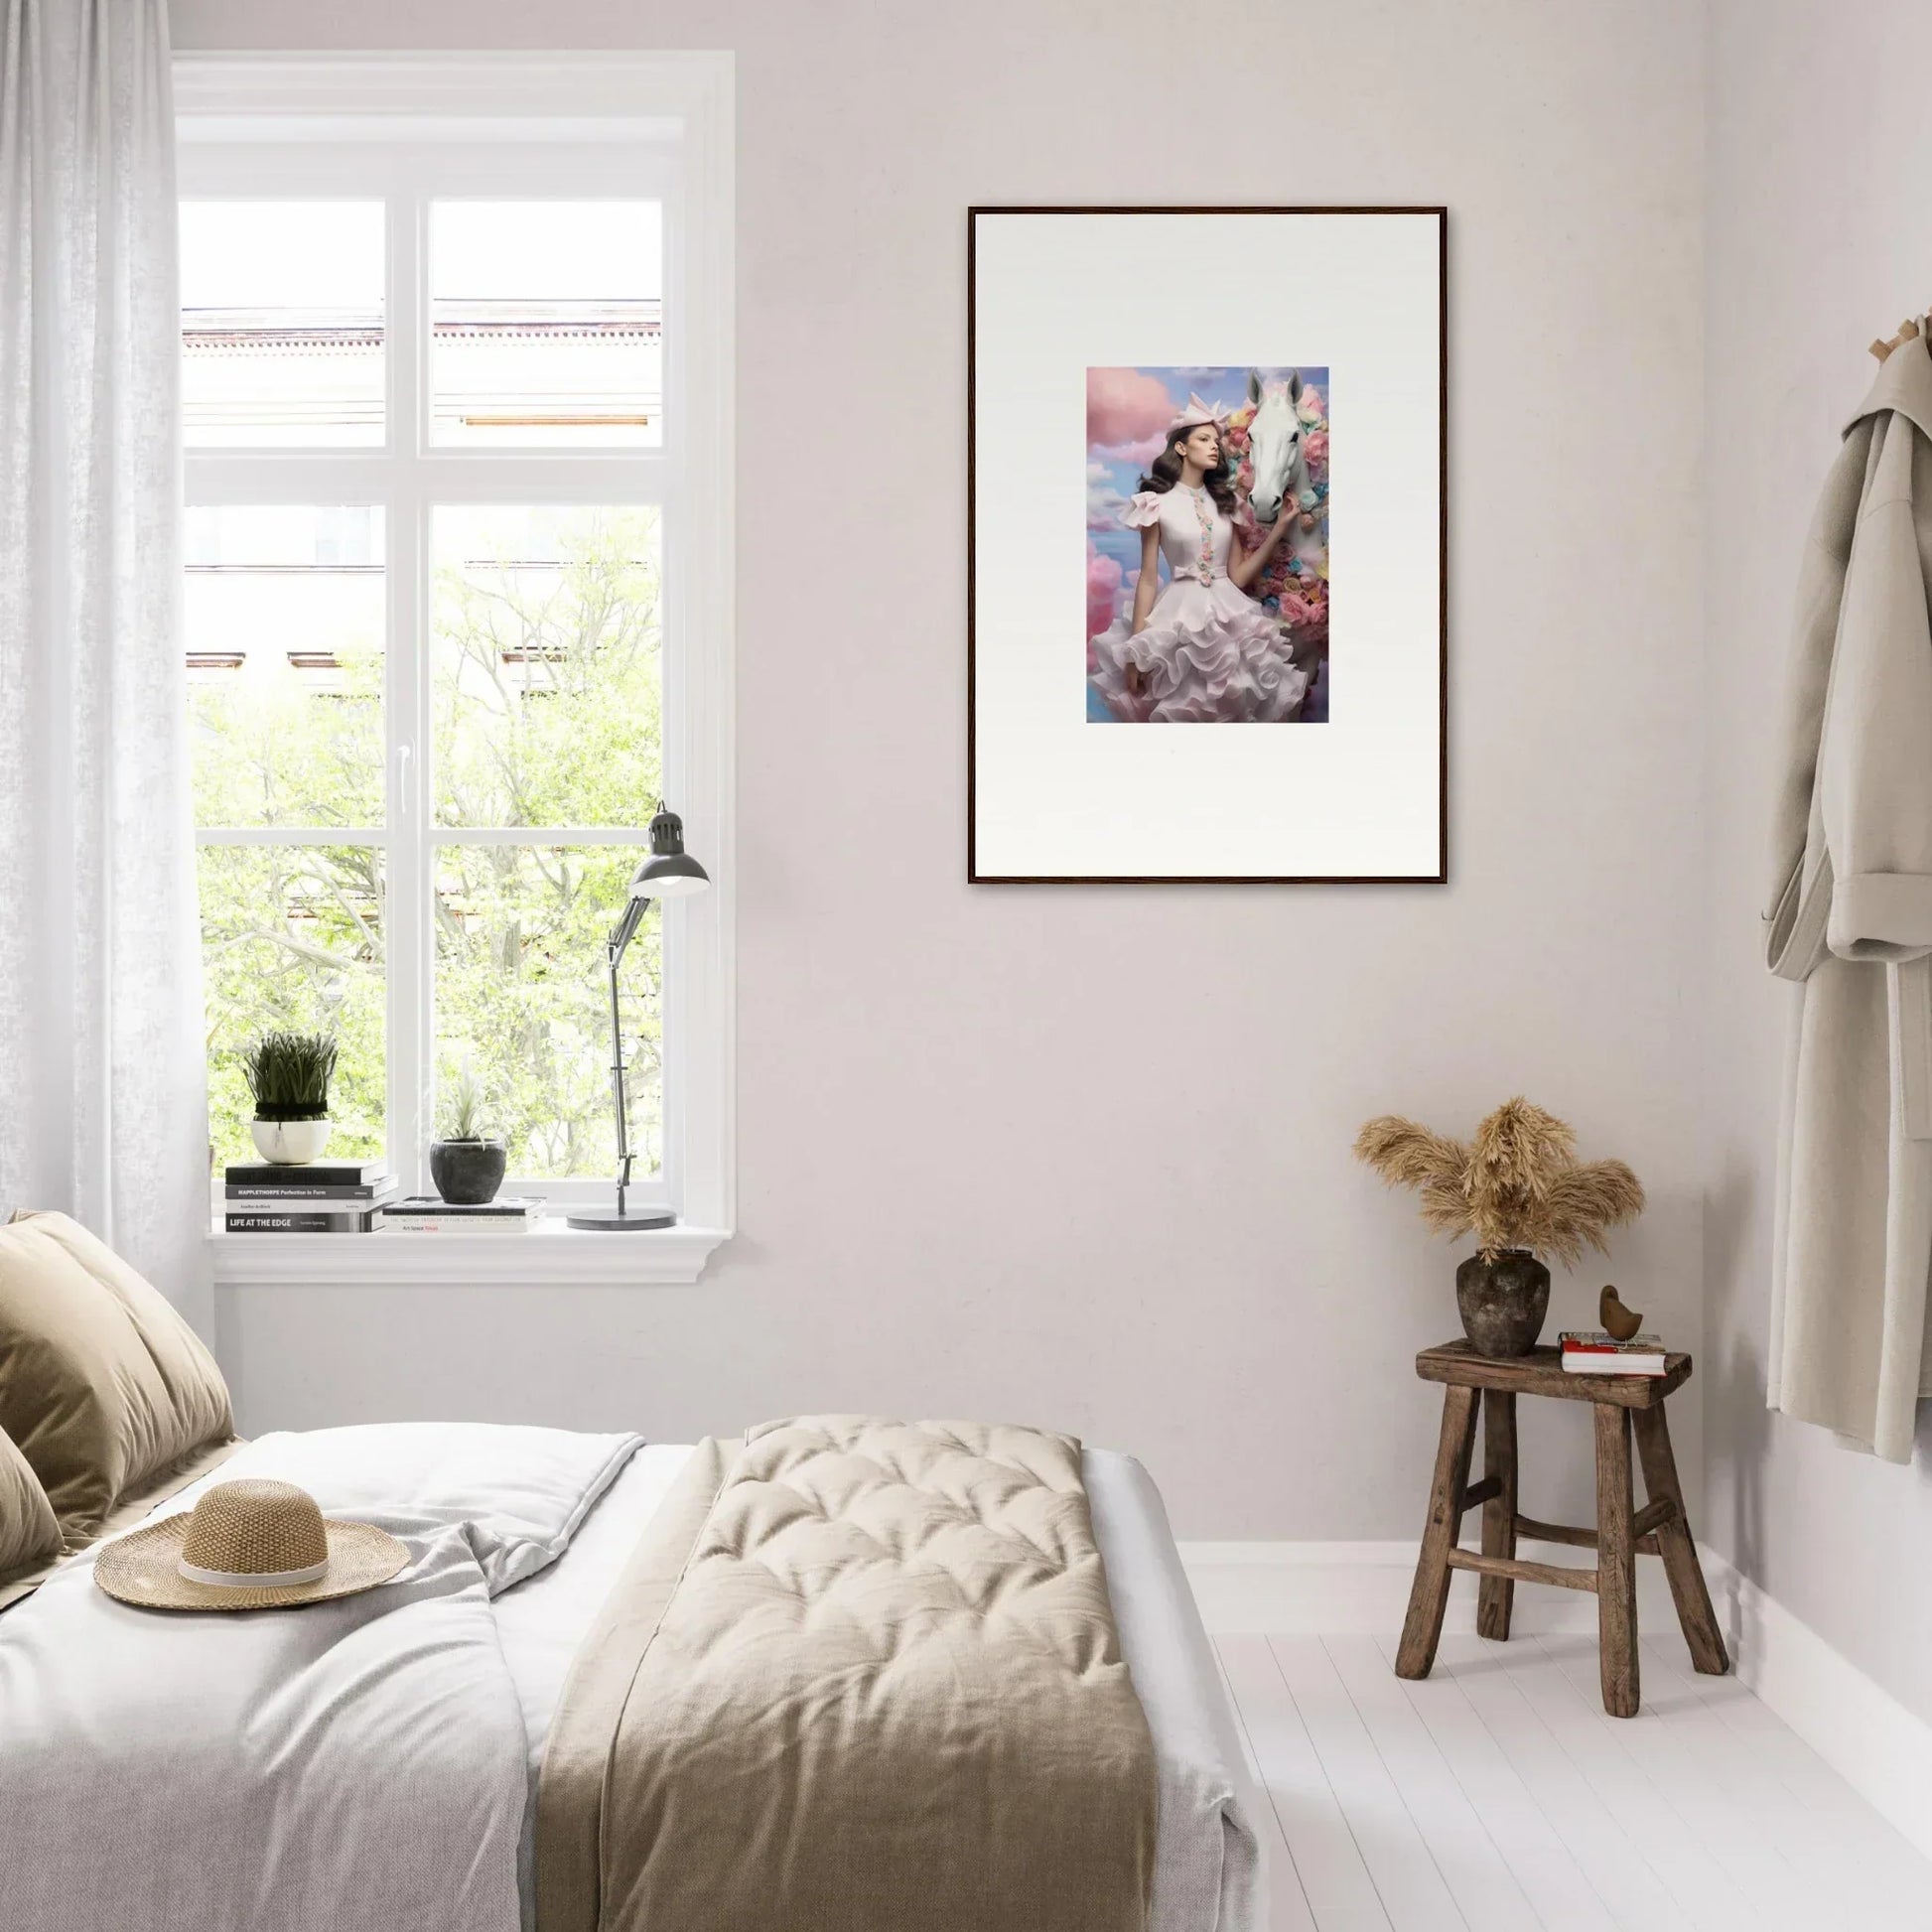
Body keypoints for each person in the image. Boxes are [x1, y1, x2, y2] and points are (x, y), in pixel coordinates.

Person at [1088, 395, 1310, 723]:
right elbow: (1148, 578)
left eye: (1216, 440)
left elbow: (1238, 577)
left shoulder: (1227, 502)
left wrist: (1279, 528)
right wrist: (1135, 651)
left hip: (1230, 618)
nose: (1214, 447)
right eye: (1203, 439)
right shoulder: (1154, 503)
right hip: (1177, 619)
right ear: (1181, 448)